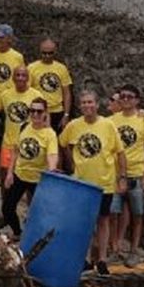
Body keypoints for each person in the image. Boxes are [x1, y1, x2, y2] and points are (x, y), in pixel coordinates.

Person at [59, 90, 127, 275]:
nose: (87, 106)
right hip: (82, 183)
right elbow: (63, 144)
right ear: (80, 106)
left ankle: (102, 258)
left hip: (104, 181)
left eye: (90, 102)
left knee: (103, 220)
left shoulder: (108, 125)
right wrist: (71, 164)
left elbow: (120, 152)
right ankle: (87, 258)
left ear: (97, 105)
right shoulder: (74, 126)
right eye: (83, 103)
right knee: (84, 222)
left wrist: (122, 177)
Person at [108, 84, 144, 265]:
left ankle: (134, 250)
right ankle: (115, 249)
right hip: (117, 174)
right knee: (113, 213)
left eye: (130, 97)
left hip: (137, 173)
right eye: (123, 97)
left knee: (137, 214)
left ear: (137, 100)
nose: (126, 100)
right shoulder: (112, 120)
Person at [2, 97, 58, 236]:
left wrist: (52, 169)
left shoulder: (49, 134)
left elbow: (52, 154)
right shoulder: (24, 127)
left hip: (38, 179)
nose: (35, 114)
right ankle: (17, 233)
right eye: (32, 111)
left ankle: (35, 238)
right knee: (7, 208)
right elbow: (16, 150)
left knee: (39, 213)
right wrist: (10, 173)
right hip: (20, 174)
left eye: (39, 111)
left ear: (45, 112)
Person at [0, 66, 43, 186]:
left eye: (23, 75)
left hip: (28, 143)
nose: (20, 78)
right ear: (13, 78)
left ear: (28, 78)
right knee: (5, 178)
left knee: (30, 182)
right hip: (9, 143)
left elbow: (44, 116)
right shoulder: (6, 94)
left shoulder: (36, 95)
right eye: (17, 75)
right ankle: (5, 204)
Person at [27, 38, 72, 132]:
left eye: (50, 53)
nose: (47, 56)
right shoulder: (31, 68)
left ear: (55, 52)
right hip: (39, 111)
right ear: (40, 51)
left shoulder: (61, 68)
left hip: (57, 111)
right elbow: (27, 92)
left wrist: (66, 115)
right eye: (44, 53)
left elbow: (67, 93)